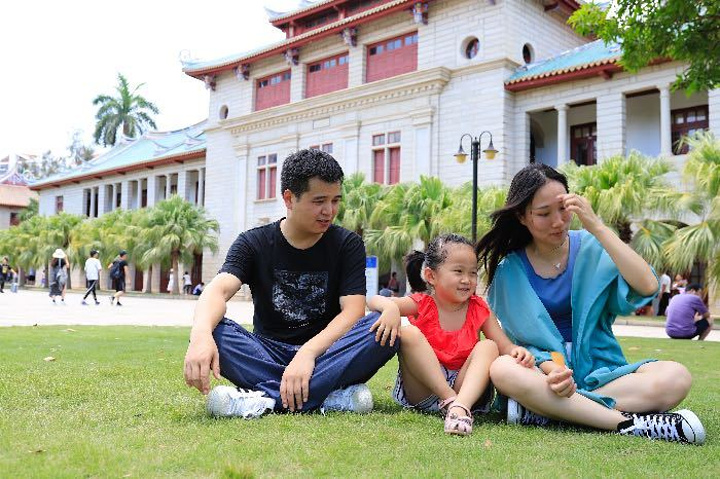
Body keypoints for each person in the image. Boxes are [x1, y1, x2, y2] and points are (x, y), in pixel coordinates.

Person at [476, 163, 705, 444]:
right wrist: (552, 368)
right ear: (522, 216)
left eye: (563, 209)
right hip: (547, 372)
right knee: (503, 369)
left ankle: (546, 410)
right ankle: (628, 424)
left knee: (676, 377)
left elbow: (647, 286)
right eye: (544, 214)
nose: (558, 221)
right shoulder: (509, 271)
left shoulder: (592, 246)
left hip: (603, 372)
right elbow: (520, 343)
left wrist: (597, 227)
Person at [183, 149, 398, 418]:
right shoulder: (253, 242)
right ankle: (326, 397)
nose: (329, 211)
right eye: (319, 201)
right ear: (289, 198)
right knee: (214, 328)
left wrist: (308, 353)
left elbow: (353, 312)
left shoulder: (347, 244)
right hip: (267, 353)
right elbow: (218, 290)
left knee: (382, 326)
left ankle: (265, 399)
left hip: (326, 353)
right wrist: (200, 335)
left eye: (335, 200)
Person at [368, 234, 534, 436]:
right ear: (431, 276)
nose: (467, 280)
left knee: (489, 346)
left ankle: (459, 407)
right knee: (409, 333)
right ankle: (450, 400)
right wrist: (390, 308)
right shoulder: (422, 303)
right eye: (458, 271)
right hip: (424, 390)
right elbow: (373, 300)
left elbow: (504, 346)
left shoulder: (479, 309)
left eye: (472, 273)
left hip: (465, 391)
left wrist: (517, 351)